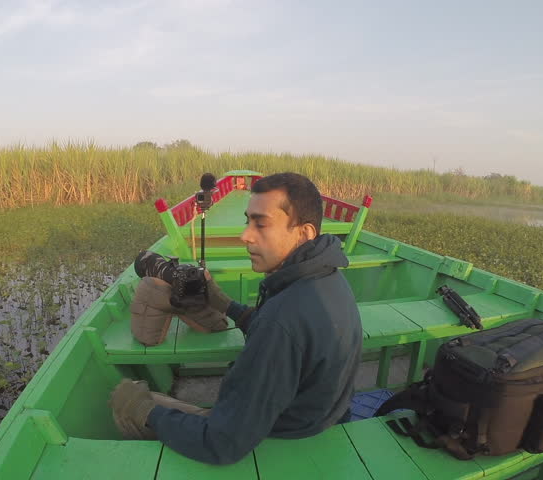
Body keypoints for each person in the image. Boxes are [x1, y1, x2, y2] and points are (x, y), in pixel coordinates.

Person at [109, 172, 362, 465]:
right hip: (320, 417)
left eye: (261, 224)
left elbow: (223, 444)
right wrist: (225, 304)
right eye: (247, 221)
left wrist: (144, 411)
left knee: (129, 405)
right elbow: (285, 335)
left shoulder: (282, 321)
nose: (245, 236)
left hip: (281, 438)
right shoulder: (327, 276)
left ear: (304, 233)